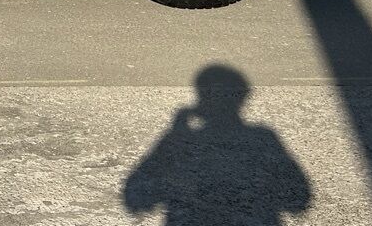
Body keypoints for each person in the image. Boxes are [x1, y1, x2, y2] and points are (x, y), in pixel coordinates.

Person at [123, 65, 311, 225]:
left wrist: (176, 133)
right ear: (243, 97)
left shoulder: (184, 138)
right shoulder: (264, 137)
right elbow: (299, 200)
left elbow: (135, 198)